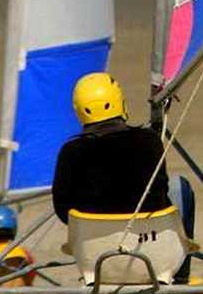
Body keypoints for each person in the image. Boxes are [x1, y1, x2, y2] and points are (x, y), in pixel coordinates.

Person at [51, 73, 172, 223]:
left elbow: (62, 209)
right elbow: (161, 193)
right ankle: (181, 244)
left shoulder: (70, 151)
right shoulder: (149, 141)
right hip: (148, 234)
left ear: (80, 111)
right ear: (120, 103)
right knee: (180, 187)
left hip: (91, 240)